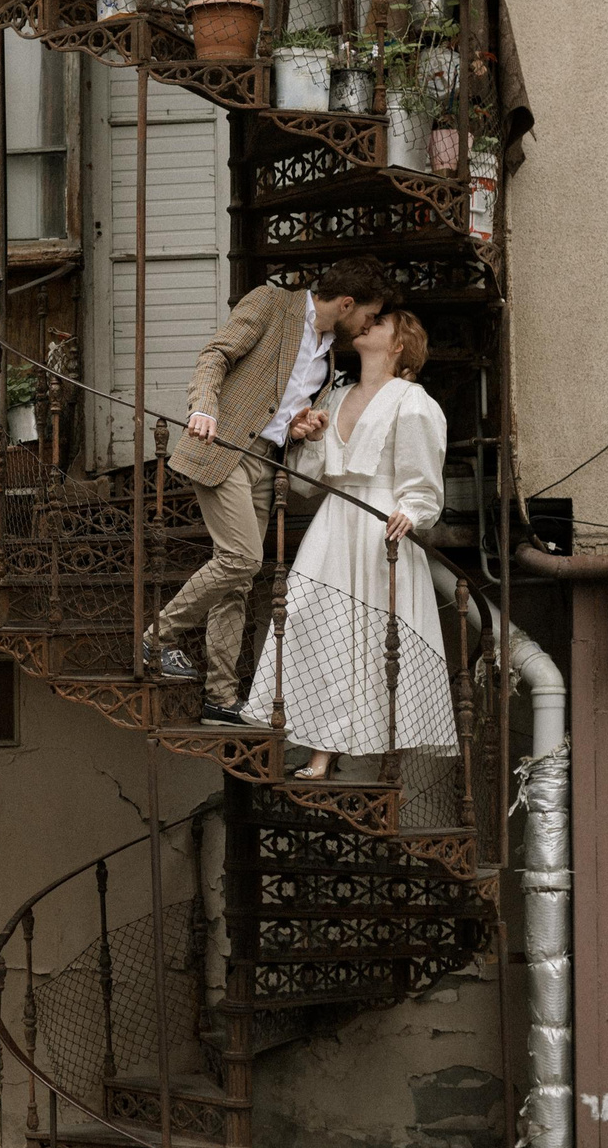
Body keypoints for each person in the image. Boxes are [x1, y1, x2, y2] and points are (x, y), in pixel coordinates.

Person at [144, 259, 393, 726]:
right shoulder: (271, 303)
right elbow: (215, 355)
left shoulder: (329, 355)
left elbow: (284, 410)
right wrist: (203, 408)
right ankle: (157, 638)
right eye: (367, 314)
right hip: (222, 448)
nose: (367, 324)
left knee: (236, 582)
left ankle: (220, 697)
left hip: (265, 460)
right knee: (241, 559)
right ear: (346, 303)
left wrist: (303, 426)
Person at [242, 307, 458, 777]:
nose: (366, 324)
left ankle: (381, 753)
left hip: (380, 528)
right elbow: (307, 481)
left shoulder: (413, 402)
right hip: (334, 523)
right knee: (313, 624)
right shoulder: (336, 397)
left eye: (379, 323)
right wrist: (305, 438)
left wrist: (411, 512)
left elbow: (423, 483)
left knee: (378, 635)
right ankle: (321, 747)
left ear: (399, 344)